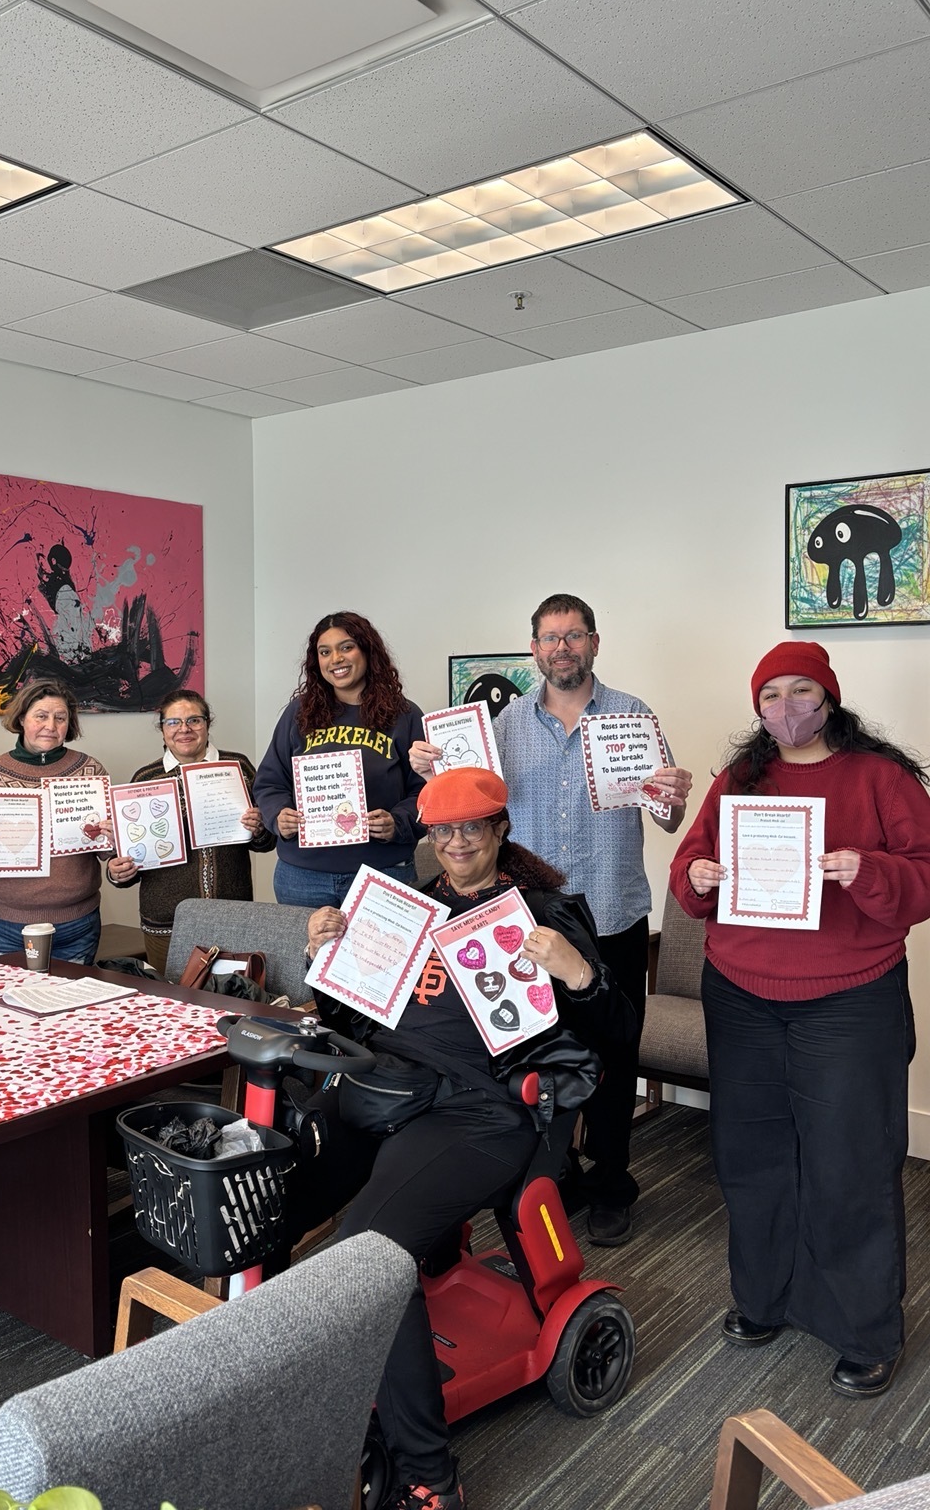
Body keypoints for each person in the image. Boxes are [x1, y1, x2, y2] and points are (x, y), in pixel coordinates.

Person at [302, 768, 632, 1510]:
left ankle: (431, 1474)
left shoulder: (542, 913)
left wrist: (577, 972)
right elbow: (353, 1016)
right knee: (278, 1180)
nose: (456, 843)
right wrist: (329, 955)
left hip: (484, 1114)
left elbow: (612, 1032)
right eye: (442, 831)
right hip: (391, 1092)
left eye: (472, 829)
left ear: (499, 831)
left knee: (368, 1254)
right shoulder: (408, 910)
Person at [669, 640, 930, 1399]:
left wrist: (869, 870)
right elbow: (689, 874)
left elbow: (924, 876)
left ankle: (863, 1329)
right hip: (742, 994)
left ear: (830, 697)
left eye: (802, 691)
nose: (787, 708)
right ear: (757, 706)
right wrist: (699, 875)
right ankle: (765, 1298)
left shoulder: (881, 777)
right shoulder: (738, 779)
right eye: (771, 694)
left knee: (849, 1162)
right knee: (751, 1156)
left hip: (850, 998)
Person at [415, 593, 692, 1247]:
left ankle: (612, 1182)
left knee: (614, 1056)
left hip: (614, 913)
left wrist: (672, 800)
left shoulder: (633, 717)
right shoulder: (501, 726)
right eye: (549, 637)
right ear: (533, 649)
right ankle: (557, 1175)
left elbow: (668, 817)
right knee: (537, 1050)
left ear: (594, 643)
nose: (561, 648)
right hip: (531, 920)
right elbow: (465, 810)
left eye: (573, 636)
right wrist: (433, 765)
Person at [254, 611, 425, 908]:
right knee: (302, 956)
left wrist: (398, 822)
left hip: (381, 872)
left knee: (381, 956)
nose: (336, 659)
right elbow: (269, 781)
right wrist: (277, 815)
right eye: (325, 652)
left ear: (368, 651)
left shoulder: (405, 715)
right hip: (302, 877)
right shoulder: (299, 714)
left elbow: (426, 790)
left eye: (346, 647)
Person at [109, 689, 274, 973]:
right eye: (173, 722)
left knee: (233, 1000)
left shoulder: (238, 767)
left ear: (207, 724)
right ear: (162, 730)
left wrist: (259, 828)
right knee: (172, 1006)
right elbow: (128, 856)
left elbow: (266, 842)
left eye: (194, 720)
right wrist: (117, 872)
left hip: (231, 914)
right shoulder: (145, 779)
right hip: (167, 921)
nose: (184, 729)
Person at [0, 678, 117, 966]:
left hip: (75, 923)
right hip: (2, 922)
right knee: (5, 1007)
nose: (51, 726)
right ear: (21, 719)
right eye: (41, 716)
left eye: (60, 718)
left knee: (70, 1007)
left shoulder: (90, 771)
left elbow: (106, 851)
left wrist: (112, 837)